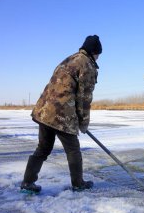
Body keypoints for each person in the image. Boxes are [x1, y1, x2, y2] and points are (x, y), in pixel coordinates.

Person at [20, 35, 102, 193]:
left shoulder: (69, 59)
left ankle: (27, 182)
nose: (98, 57)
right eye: (98, 54)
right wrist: (83, 122)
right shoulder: (88, 65)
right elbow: (84, 98)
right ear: (94, 52)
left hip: (44, 111)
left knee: (43, 148)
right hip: (62, 114)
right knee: (73, 150)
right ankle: (78, 184)